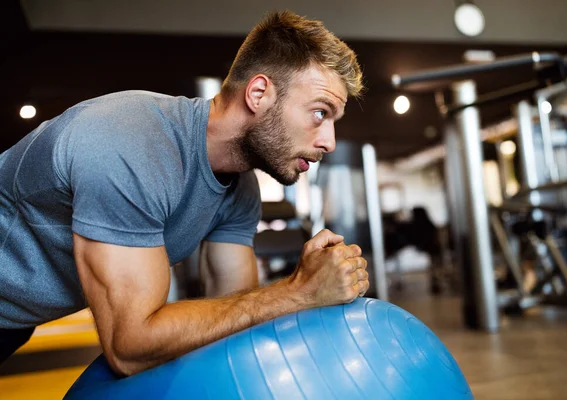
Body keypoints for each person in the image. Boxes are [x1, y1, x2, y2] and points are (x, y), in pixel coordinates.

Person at [0, 10, 368, 375]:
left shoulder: (240, 188)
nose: (329, 142)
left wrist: (316, 290)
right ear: (258, 94)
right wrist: (299, 291)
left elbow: (234, 316)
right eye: (320, 113)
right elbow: (131, 346)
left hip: (15, 319)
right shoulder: (128, 142)